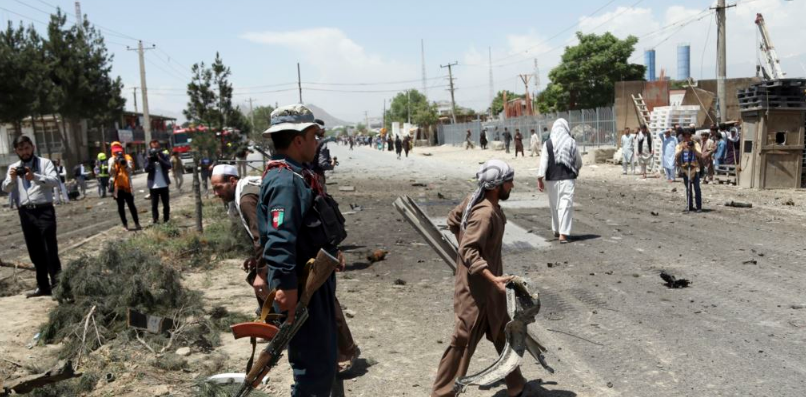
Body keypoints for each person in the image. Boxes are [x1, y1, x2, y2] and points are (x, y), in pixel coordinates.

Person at [259, 104, 348, 395]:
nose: (317, 142)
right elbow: (279, 240)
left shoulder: (298, 174)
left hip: (315, 281)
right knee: (312, 372)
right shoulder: (285, 181)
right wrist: (287, 290)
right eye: (313, 136)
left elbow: (310, 226)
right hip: (300, 287)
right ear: (298, 140)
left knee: (325, 363)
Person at [431, 159, 528, 397]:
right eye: (509, 182)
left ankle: (515, 384)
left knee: (502, 334)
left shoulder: (477, 201)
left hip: (490, 288)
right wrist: (486, 274)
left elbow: (453, 220)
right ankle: (442, 393)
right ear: (497, 186)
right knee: (462, 343)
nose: (512, 185)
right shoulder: (484, 213)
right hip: (476, 293)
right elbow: (469, 250)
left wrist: (485, 273)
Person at [3, 136, 62, 298]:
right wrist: (13, 178)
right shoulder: (13, 167)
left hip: (44, 210)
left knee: (50, 250)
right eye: (21, 149)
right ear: (16, 151)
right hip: (26, 213)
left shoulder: (45, 163)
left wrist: (34, 177)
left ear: (33, 147)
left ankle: (58, 286)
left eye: (27, 148)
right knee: (34, 251)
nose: (25, 152)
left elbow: (55, 181)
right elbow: (6, 188)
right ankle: (43, 286)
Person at [537, 119, 583, 244]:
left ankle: (558, 230)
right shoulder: (571, 142)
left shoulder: (548, 143)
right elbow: (578, 161)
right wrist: (576, 168)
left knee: (555, 205)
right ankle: (562, 233)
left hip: (551, 179)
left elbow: (543, 162)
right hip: (568, 178)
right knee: (565, 205)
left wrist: (540, 178)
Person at [109, 141, 141, 231]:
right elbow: (110, 173)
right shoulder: (111, 160)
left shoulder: (127, 157)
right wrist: (114, 163)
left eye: (118, 151)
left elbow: (130, 170)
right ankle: (125, 225)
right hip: (117, 187)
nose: (117, 153)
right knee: (120, 206)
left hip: (128, 186)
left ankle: (137, 223)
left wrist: (125, 164)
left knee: (131, 205)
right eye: (115, 151)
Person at [676, 129, 703, 213]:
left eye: (688, 137)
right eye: (685, 137)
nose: (687, 139)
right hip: (685, 169)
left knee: (697, 188)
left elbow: (700, 154)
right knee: (688, 188)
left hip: (695, 168)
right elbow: (676, 155)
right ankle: (689, 205)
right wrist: (682, 149)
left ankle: (699, 206)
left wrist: (693, 149)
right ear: (683, 137)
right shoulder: (680, 144)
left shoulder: (695, 144)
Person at [145, 140, 172, 225]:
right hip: (153, 185)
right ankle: (155, 221)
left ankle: (166, 220)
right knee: (154, 205)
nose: (155, 150)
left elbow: (169, 166)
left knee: (166, 204)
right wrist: (150, 161)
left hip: (164, 184)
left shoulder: (164, 155)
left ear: (159, 148)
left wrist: (160, 159)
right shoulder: (148, 157)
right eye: (153, 148)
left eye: (156, 148)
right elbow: (146, 169)